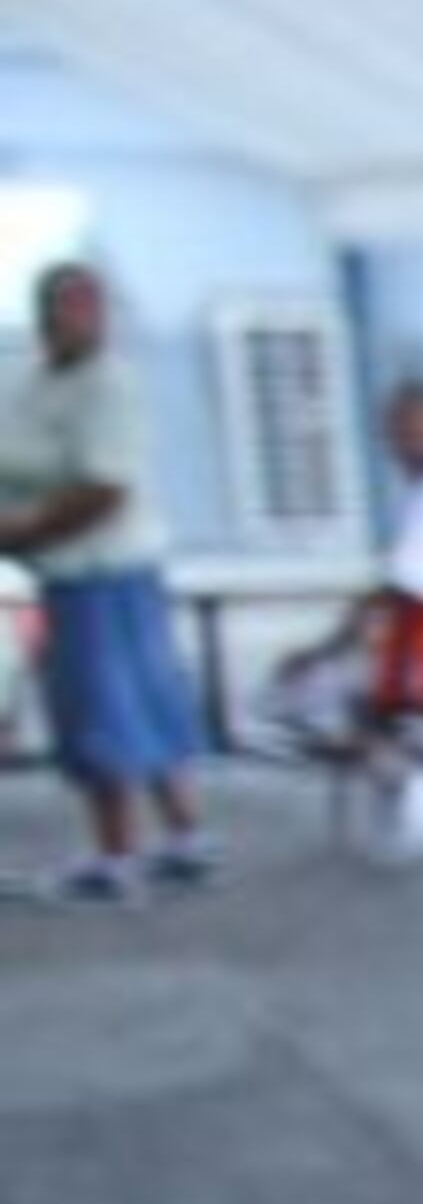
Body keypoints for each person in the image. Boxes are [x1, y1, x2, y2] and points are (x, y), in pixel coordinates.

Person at [1, 260, 215, 904]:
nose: (61, 321)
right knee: (133, 703)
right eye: (52, 308)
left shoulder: (110, 386)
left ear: (98, 315)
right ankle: (183, 840)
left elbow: (103, 490)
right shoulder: (37, 383)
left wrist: (22, 534)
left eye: (77, 308)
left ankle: (116, 856)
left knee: (111, 711)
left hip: (105, 570)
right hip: (65, 574)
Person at [259, 380, 423, 861]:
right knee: (323, 686)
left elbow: (398, 592)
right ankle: (398, 760)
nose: (405, 446)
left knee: (290, 693)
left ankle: (411, 779)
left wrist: (323, 649)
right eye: (399, 435)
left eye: (416, 433)